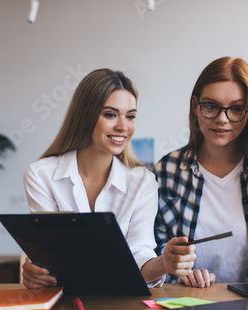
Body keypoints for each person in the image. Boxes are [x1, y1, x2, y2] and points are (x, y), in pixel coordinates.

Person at [22, 68, 196, 289]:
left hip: (121, 308)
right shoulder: (41, 175)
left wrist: (164, 262)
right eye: (110, 114)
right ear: (85, 116)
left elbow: (139, 256)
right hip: (64, 303)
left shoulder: (142, 182)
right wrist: (36, 271)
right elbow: (48, 254)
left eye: (130, 116)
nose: (123, 127)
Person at [154, 57, 248, 288]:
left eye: (237, 109)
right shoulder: (167, 171)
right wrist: (179, 271)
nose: (222, 119)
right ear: (195, 105)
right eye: (210, 106)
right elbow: (152, 250)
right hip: (183, 303)